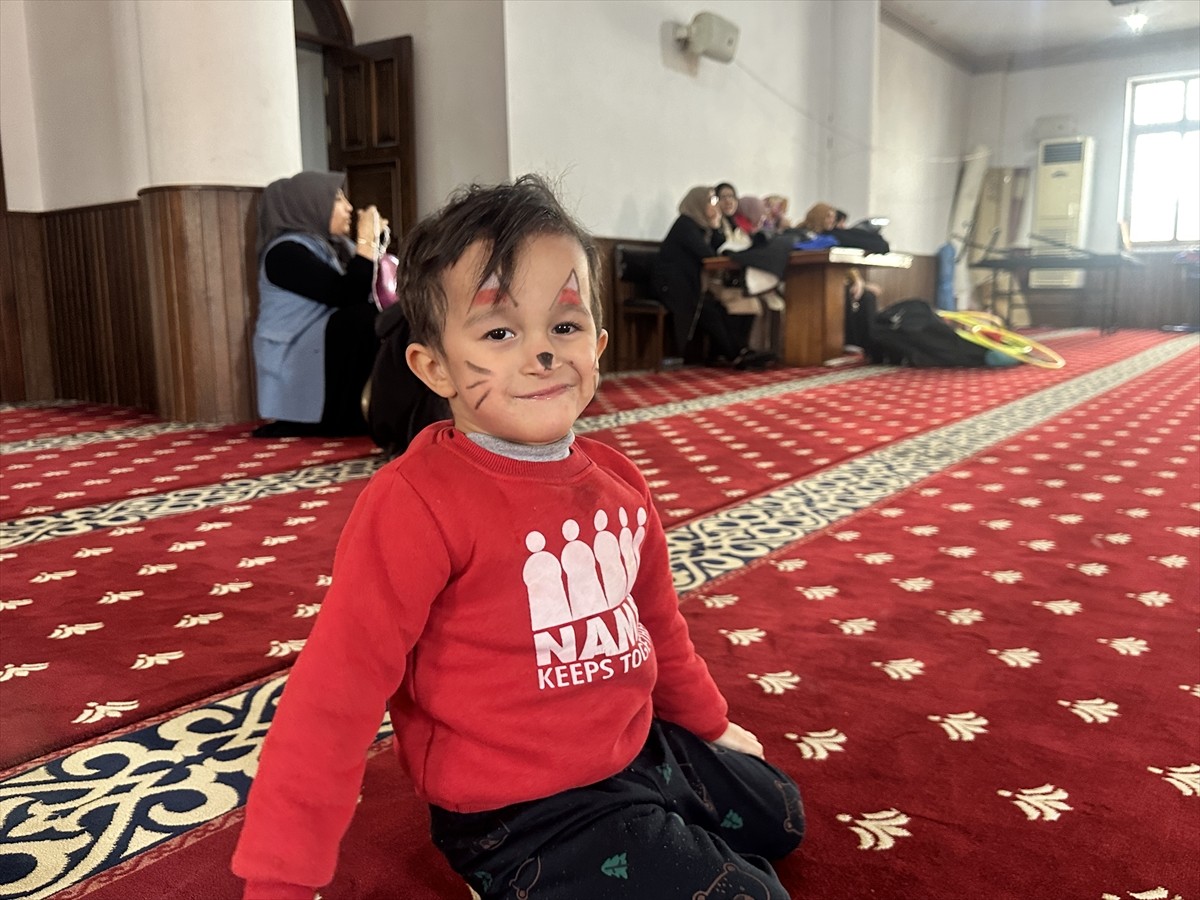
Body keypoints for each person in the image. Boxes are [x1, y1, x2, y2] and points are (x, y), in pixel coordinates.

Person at [231, 174, 804, 900]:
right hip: (522, 809)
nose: (542, 354)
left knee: (782, 813)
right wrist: (280, 880)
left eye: (564, 327)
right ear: (433, 366)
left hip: (633, 750)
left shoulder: (619, 480)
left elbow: (659, 626)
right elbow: (333, 694)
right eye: (499, 332)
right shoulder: (416, 504)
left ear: (598, 344)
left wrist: (710, 727)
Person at [251, 170, 387, 438]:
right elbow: (346, 294)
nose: (349, 208)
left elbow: (369, 288)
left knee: (386, 318)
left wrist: (374, 244)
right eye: (337, 199)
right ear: (308, 205)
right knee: (361, 319)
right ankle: (341, 416)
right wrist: (366, 242)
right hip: (296, 350)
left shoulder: (332, 246)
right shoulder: (284, 252)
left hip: (318, 342)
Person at [652, 185, 775, 370]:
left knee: (719, 308)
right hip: (670, 285)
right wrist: (715, 227)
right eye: (712, 200)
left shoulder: (701, 227)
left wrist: (716, 225)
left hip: (689, 284)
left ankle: (739, 352)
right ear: (698, 202)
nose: (715, 205)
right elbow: (708, 255)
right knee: (708, 311)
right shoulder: (685, 224)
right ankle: (736, 354)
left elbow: (717, 248)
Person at [712, 181, 740, 251]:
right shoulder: (713, 225)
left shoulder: (737, 223)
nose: (728, 201)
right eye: (723, 197)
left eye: (731, 196)